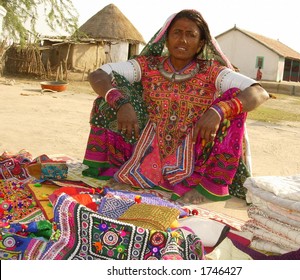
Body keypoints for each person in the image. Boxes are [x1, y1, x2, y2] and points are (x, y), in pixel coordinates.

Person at [83, 9, 270, 204]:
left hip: (195, 147)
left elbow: (258, 92)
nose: (183, 40)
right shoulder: (147, 65)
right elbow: (98, 75)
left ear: (201, 43)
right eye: (177, 33)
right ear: (166, 38)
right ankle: (113, 167)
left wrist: (219, 111)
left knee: (233, 104)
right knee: (107, 98)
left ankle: (207, 186)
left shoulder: (212, 71)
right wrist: (121, 103)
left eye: (191, 35)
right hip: (147, 143)